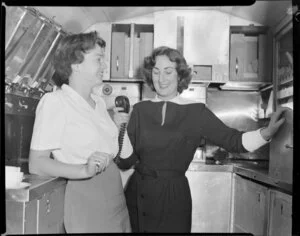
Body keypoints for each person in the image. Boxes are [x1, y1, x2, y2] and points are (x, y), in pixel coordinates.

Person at [116, 46, 287, 233]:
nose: (161, 79)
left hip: (174, 196)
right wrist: (120, 128)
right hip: (138, 193)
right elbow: (126, 161)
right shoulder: (139, 109)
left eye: (168, 71)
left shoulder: (196, 111)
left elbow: (234, 141)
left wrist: (266, 133)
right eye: (156, 72)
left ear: (179, 75)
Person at [28, 31, 133, 233]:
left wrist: (120, 126)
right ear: (75, 64)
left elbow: (122, 154)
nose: (104, 66)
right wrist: (83, 170)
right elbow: (37, 163)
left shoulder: (99, 104)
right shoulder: (55, 102)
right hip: (87, 195)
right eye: (98, 59)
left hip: (114, 196)